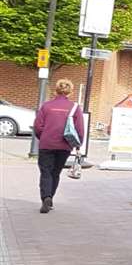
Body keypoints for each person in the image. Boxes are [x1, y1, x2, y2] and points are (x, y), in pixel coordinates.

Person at [31, 79, 86, 214]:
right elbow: (80, 129)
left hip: (46, 144)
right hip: (64, 145)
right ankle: (50, 199)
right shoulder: (74, 107)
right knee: (55, 172)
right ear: (70, 91)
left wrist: (43, 137)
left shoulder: (46, 106)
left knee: (45, 172)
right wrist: (78, 144)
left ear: (56, 90)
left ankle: (46, 198)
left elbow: (38, 126)